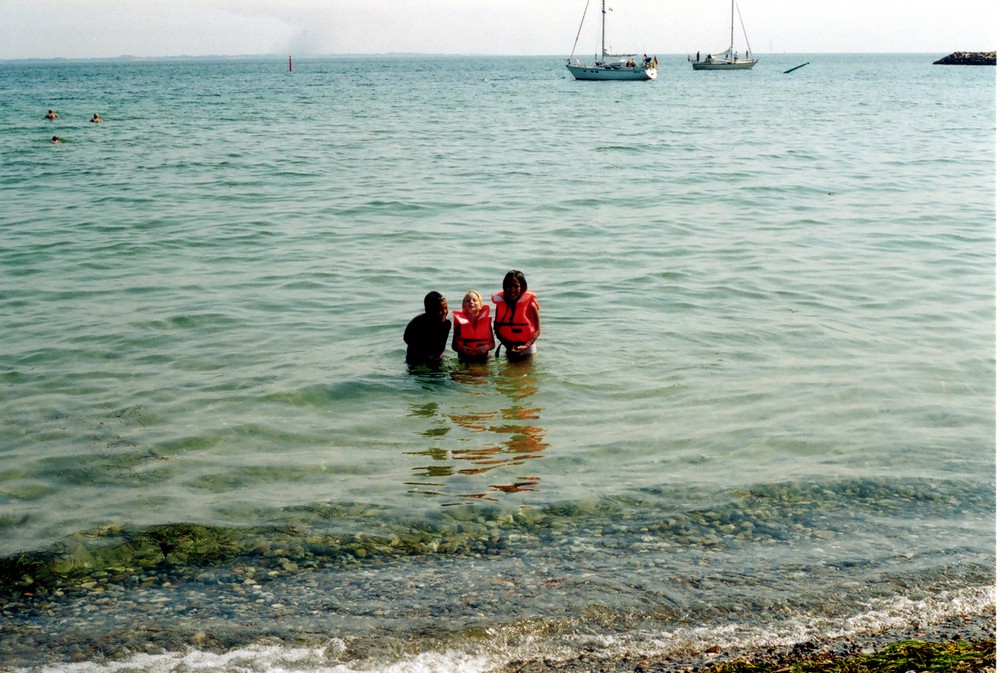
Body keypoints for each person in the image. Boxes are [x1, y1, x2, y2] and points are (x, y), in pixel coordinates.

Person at [492, 270, 540, 360]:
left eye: (516, 286)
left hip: (528, 349)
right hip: (509, 347)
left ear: (522, 287)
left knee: (527, 369)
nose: (512, 290)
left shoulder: (530, 305)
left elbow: (537, 331)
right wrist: (507, 345)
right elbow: (497, 329)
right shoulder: (500, 305)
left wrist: (526, 346)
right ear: (504, 287)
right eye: (509, 286)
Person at [404, 291, 451, 367]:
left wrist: (435, 356)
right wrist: (424, 354)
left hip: (434, 356)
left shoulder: (446, 324)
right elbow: (407, 339)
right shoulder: (417, 323)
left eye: (446, 308)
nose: (444, 312)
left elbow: (440, 347)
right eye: (440, 309)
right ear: (430, 310)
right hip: (415, 357)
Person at [451, 290, 494, 362]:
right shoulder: (459, 323)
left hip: (482, 358)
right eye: (468, 301)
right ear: (463, 306)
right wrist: (461, 349)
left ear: (480, 305)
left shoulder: (486, 322)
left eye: (475, 300)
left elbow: (492, 344)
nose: (471, 302)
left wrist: (486, 347)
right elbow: (454, 346)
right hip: (464, 359)